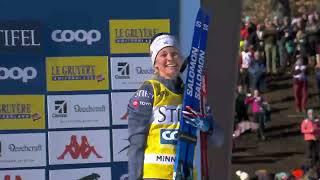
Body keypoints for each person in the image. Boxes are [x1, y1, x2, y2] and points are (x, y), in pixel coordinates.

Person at [127, 33, 223, 180]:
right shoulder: (149, 91)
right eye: (163, 54)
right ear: (155, 63)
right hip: (156, 175)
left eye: (175, 53)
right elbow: (136, 144)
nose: (170, 58)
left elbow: (219, 139)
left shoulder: (192, 96)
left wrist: (208, 126)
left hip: (186, 175)